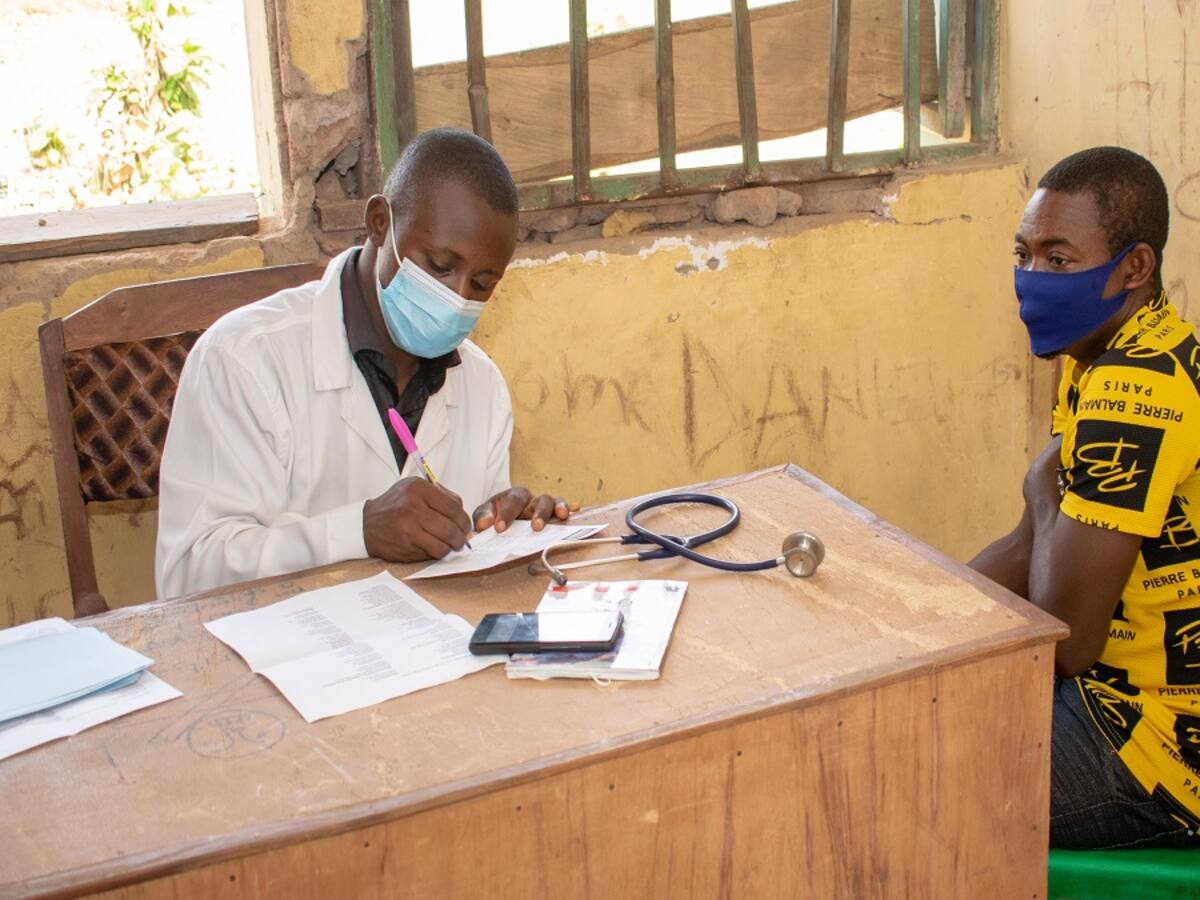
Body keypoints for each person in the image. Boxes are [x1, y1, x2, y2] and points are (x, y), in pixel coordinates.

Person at [156, 128, 571, 599]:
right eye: (439, 265)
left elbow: (469, 552)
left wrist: (507, 528)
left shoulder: (482, 385)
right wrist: (358, 532)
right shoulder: (244, 359)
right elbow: (189, 574)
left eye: (482, 283)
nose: (457, 299)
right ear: (380, 222)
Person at [971, 146, 1200, 849]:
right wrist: (908, 626)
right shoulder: (1112, 351)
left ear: (1134, 268)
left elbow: (1067, 637)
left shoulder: (1136, 393)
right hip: (1112, 697)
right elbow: (1023, 549)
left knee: (911, 780)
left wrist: (1044, 491)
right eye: (1025, 253)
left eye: (1059, 260)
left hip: (1159, 749)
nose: (1031, 280)